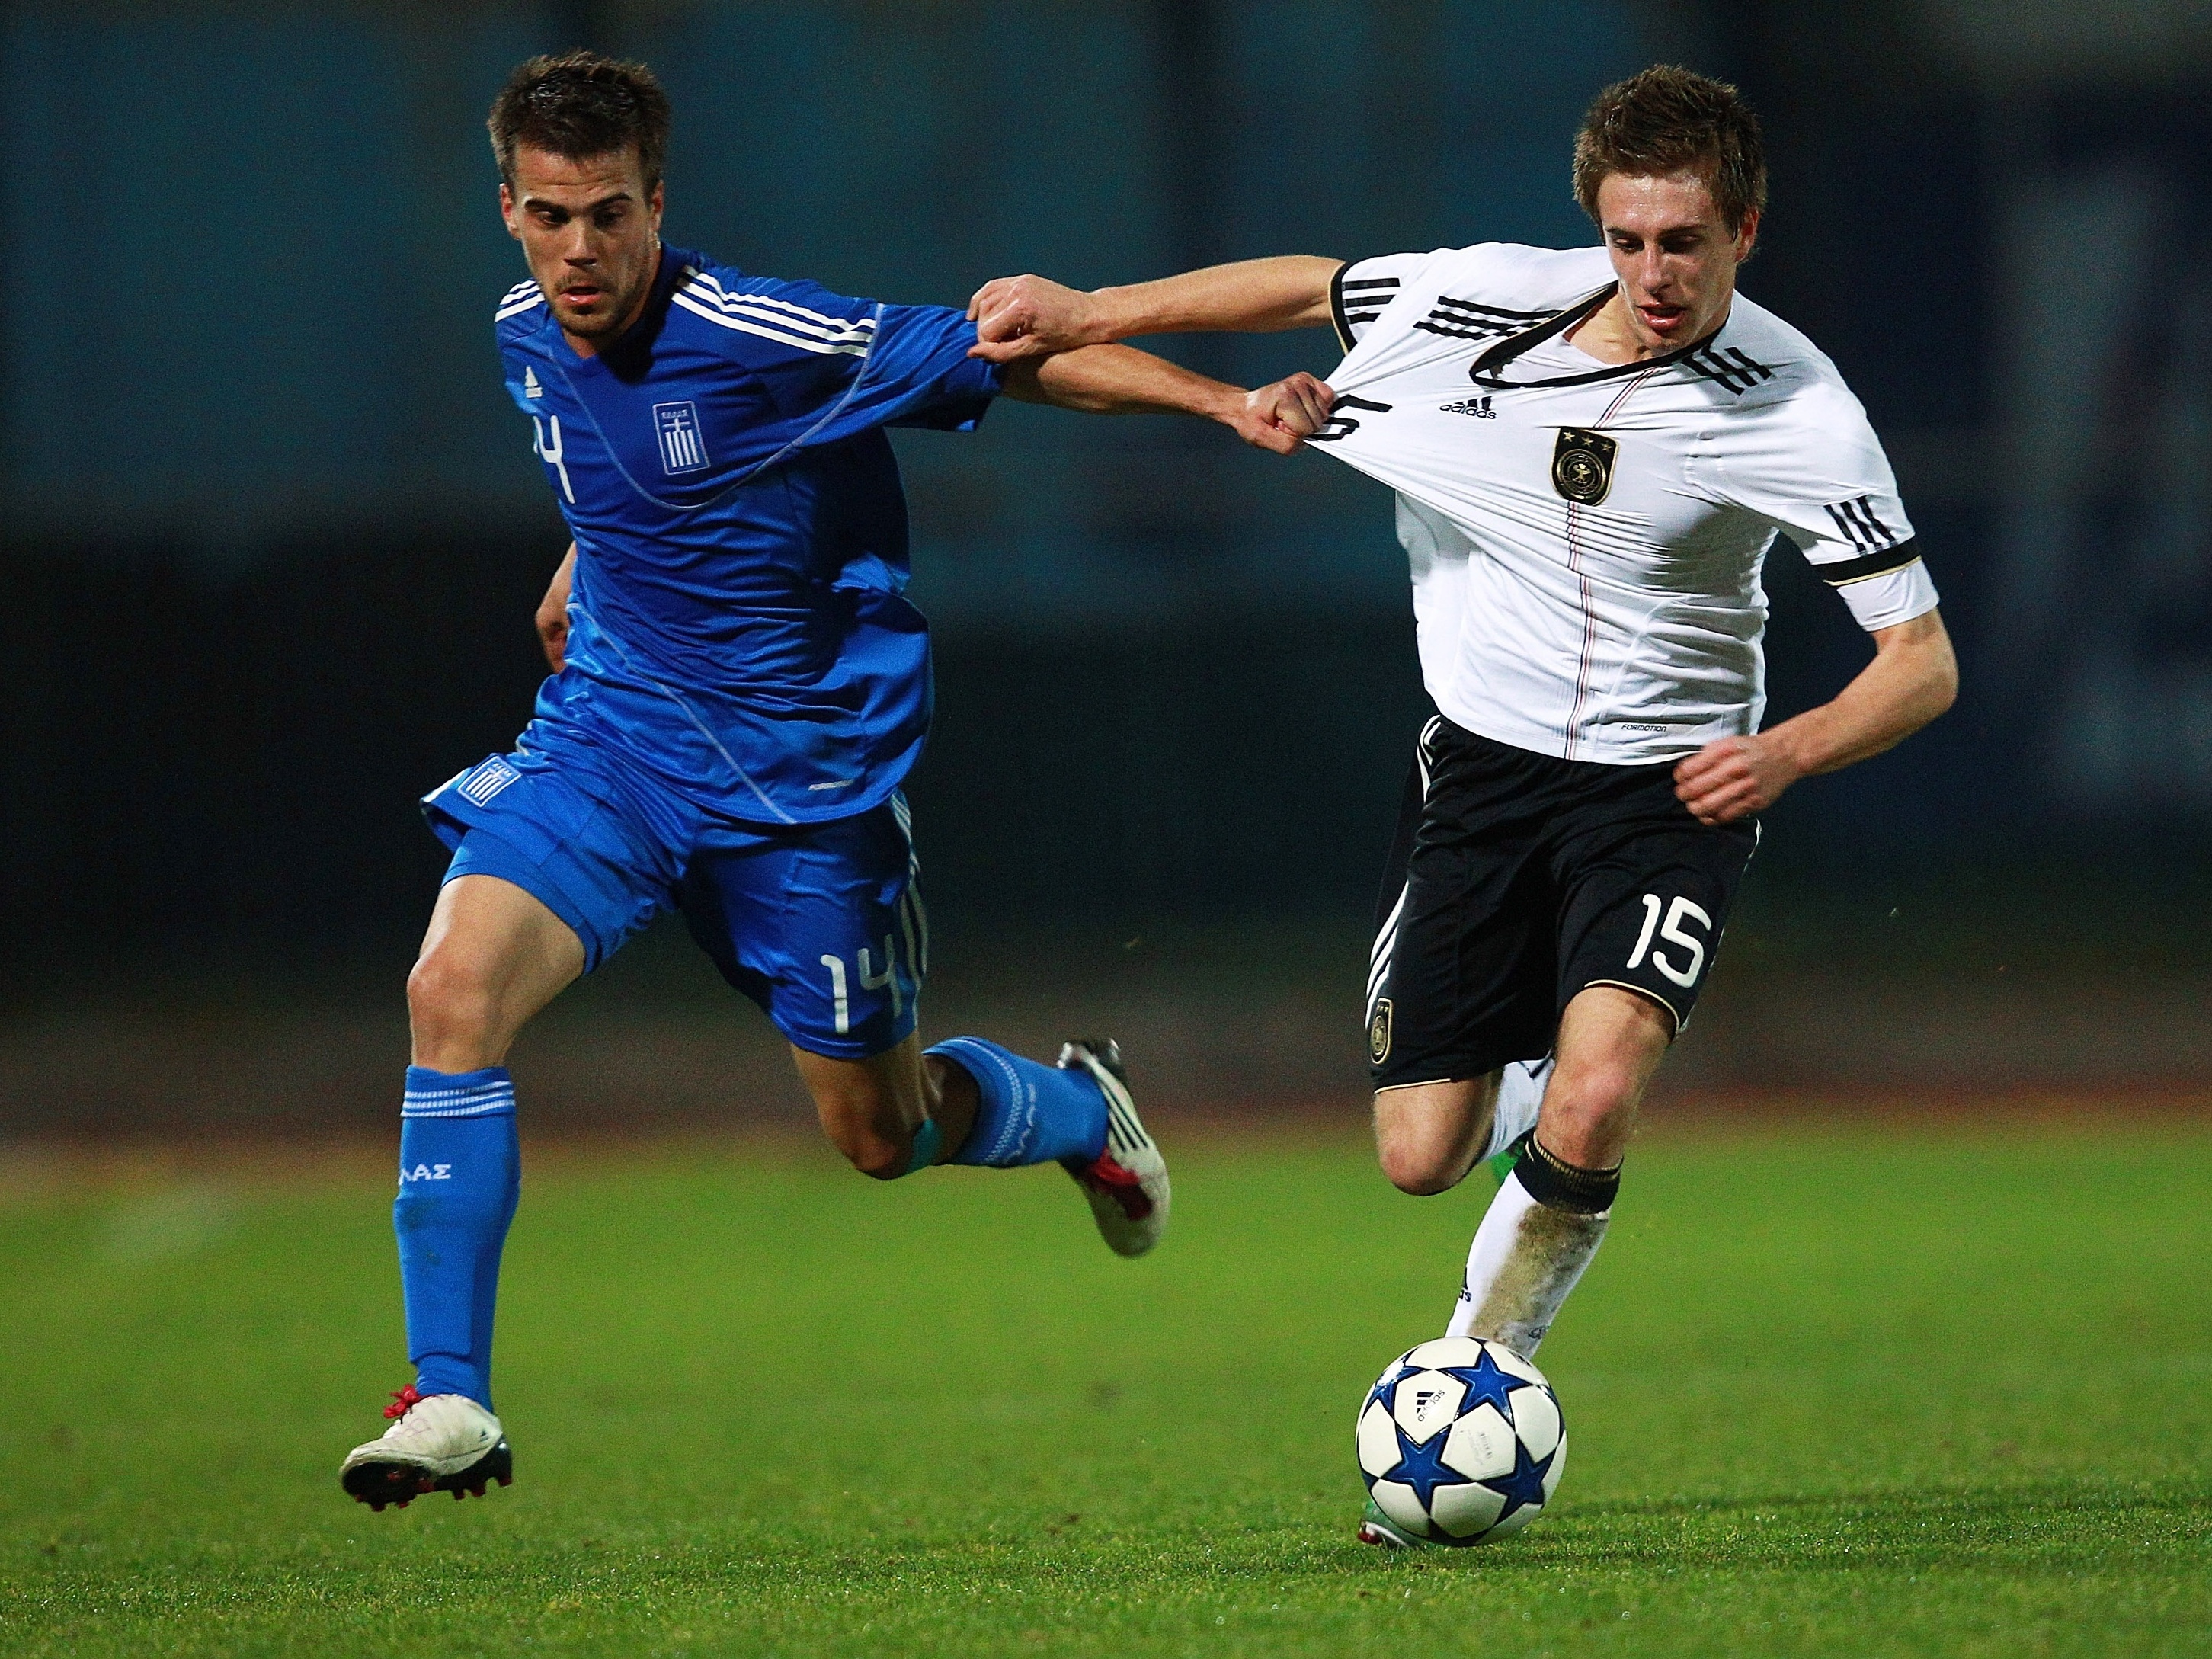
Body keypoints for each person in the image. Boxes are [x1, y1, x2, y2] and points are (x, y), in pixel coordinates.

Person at [965, 64, 1958, 1544]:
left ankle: (1479, 1364)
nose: (1654, 273)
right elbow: (1310, 287)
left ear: (1746, 228)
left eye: (1685, 241)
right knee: (1418, 1156)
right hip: (1482, 784)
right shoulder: (1485, 303)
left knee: (1603, 1088)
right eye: (1628, 240)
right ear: (1597, 227)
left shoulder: (1799, 408)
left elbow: (1922, 662)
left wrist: (1791, 752)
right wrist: (1096, 308)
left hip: (1671, 793)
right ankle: (1530, 1108)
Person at [340, 51, 1311, 1510]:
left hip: (804, 795)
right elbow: (628, 478)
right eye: (549, 216)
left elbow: (1015, 357)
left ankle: (1074, 1111)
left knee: (883, 1132)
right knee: (449, 989)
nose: (579, 250)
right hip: (611, 747)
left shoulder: (758, 330)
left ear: (658, 202)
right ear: (509, 210)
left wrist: (1222, 405)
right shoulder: (522, 331)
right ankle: (450, 1397)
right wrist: (581, 562)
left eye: (609, 214)